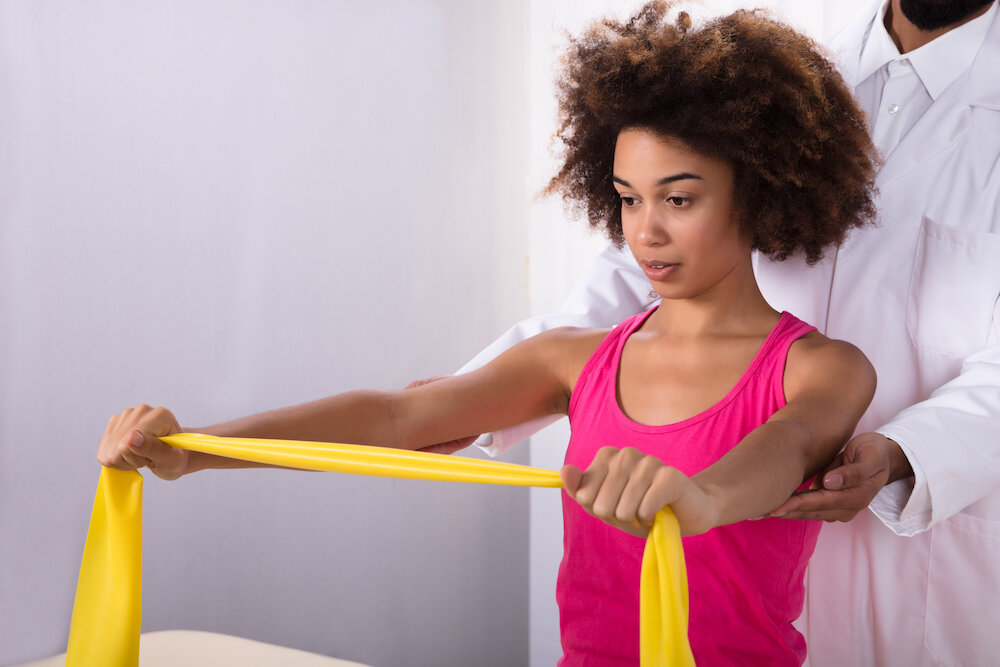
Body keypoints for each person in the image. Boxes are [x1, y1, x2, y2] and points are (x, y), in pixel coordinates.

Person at [97, 4, 881, 664]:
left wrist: (699, 496)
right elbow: (398, 418)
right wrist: (195, 447)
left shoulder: (821, 368)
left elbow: (786, 444)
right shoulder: (572, 358)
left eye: (678, 199)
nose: (646, 232)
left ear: (764, 190)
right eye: (629, 198)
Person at [450, 0, 1000, 664]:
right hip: (731, 528)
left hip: (913, 541)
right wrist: (474, 392)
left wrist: (906, 451)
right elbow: (648, 264)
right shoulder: (777, 83)